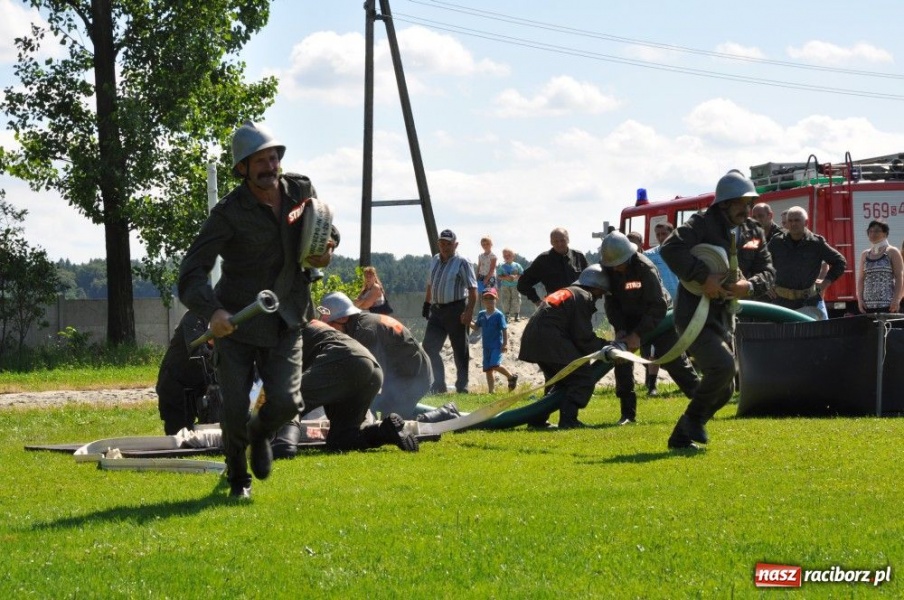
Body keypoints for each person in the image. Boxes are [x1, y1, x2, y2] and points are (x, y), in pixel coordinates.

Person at [178, 120, 337, 499]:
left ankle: (261, 433)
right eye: (259, 161)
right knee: (233, 409)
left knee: (287, 402)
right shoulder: (228, 213)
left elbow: (326, 229)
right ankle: (238, 480)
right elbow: (191, 272)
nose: (269, 166)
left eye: (273, 158)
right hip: (238, 323)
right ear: (242, 169)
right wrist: (213, 312)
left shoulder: (300, 189)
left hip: (288, 317)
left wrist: (327, 246)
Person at [660, 169, 774, 450]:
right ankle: (695, 421)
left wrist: (750, 285)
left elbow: (769, 271)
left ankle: (682, 435)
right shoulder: (700, 224)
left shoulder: (753, 232)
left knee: (726, 389)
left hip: (726, 315)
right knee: (723, 367)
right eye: (741, 204)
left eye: (750, 205)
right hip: (695, 314)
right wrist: (703, 277)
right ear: (724, 203)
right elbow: (670, 249)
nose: (747, 211)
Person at [270, 320, 418, 458]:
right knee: (341, 440)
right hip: (370, 366)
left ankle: (283, 446)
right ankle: (384, 431)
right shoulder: (305, 324)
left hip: (344, 360)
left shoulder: (279, 331)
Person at [600, 232, 700, 425]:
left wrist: (638, 334)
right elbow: (611, 303)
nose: (617, 269)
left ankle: (702, 404)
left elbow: (658, 305)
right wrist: (620, 329)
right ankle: (627, 414)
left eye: (619, 264)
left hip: (658, 317)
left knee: (674, 360)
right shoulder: (609, 269)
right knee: (621, 362)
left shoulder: (645, 268)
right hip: (628, 319)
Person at [518, 264, 610, 429]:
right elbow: (582, 336)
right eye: (601, 292)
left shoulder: (568, 291)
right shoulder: (583, 296)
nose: (600, 297)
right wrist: (606, 346)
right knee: (582, 377)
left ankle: (537, 421)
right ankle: (569, 421)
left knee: (557, 381)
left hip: (535, 338)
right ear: (595, 287)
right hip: (550, 340)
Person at [318, 291, 432, 419]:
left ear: (343, 318)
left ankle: (445, 415)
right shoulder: (358, 326)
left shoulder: (366, 332)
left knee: (391, 423)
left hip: (413, 378)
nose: (330, 330)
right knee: (382, 413)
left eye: (330, 325)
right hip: (400, 376)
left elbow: (370, 375)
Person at [422, 229, 478, 394]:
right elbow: (430, 284)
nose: (445, 247)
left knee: (460, 348)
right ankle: (439, 385)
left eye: (448, 244)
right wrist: (426, 304)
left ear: (455, 244)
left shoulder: (462, 262)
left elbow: (473, 289)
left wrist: (469, 312)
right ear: (438, 244)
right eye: (442, 243)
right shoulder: (435, 260)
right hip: (437, 310)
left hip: (456, 308)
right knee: (429, 348)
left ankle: (462, 385)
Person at [766, 206, 846, 319]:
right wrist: (766, 285)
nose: (793, 224)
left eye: (797, 220)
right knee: (780, 336)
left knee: (807, 335)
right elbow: (762, 263)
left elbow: (840, 262)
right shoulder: (776, 241)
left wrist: (826, 281)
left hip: (808, 303)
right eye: (790, 221)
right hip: (780, 303)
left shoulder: (816, 243)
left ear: (806, 222)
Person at [156, 311, 217, 435]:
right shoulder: (194, 318)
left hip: (199, 386)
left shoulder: (221, 318)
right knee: (178, 438)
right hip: (176, 387)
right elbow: (198, 351)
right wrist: (212, 343)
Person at [641, 222, 680, 395]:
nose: (661, 237)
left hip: (681, 304)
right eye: (658, 234)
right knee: (654, 349)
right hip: (660, 306)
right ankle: (652, 385)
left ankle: (688, 383)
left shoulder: (681, 253)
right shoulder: (649, 256)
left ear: (672, 233)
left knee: (684, 344)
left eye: (664, 233)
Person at [517, 227, 589, 306]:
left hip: (579, 306)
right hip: (556, 309)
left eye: (562, 240)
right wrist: (537, 301)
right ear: (551, 242)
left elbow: (590, 281)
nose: (559, 244)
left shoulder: (578, 256)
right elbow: (522, 284)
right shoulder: (543, 260)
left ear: (568, 240)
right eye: (556, 241)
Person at [471, 288, 517, 393]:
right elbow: (476, 327)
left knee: (494, 364)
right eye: (486, 298)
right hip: (486, 346)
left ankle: (510, 377)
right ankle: (491, 391)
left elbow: (504, 329)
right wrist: (468, 321)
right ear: (482, 301)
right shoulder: (482, 314)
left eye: (491, 298)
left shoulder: (498, 315)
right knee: (488, 369)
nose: (489, 301)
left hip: (496, 345)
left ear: (496, 299)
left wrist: (505, 344)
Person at [857, 220, 903, 314]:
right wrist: (860, 300)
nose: (873, 233)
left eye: (877, 231)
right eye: (870, 231)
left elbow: (900, 277)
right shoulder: (865, 254)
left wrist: (896, 299)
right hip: (868, 306)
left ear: (885, 234)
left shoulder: (892, 251)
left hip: (888, 305)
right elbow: (861, 279)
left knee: (887, 329)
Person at [496, 247, 524, 321]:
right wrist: (506, 277)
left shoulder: (517, 265)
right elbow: (499, 276)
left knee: (517, 299)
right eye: (505, 255)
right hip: (505, 286)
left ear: (513, 256)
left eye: (509, 255)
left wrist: (516, 276)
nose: (507, 257)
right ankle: (506, 314)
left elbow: (522, 274)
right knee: (505, 300)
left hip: (515, 286)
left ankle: (516, 314)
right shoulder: (501, 266)